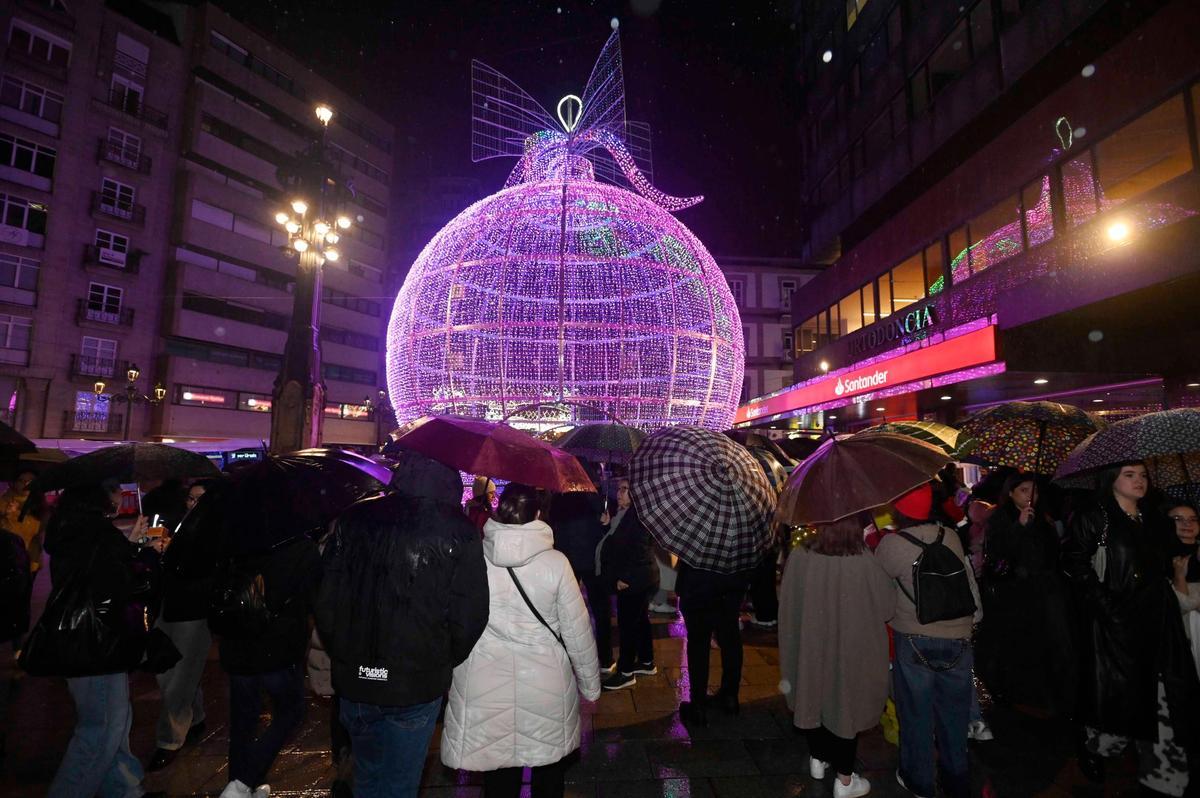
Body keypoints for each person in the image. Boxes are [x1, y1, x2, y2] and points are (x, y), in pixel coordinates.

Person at [316, 452, 489, 798]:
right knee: (399, 784)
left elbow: (325, 600)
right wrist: (439, 658)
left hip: (356, 678)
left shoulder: (354, 519)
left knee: (367, 775)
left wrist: (346, 653)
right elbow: (470, 616)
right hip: (415, 681)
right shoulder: (459, 532)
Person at [442, 483, 600, 798]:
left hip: (484, 683)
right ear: (539, 514)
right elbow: (577, 631)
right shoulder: (556, 564)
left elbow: (453, 621)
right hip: (546, 685)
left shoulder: (473, 559)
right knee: (548, 775)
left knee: (498, 780)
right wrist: (591, 685)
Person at [1063, 463, 1200, 795]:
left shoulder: (1154, 518)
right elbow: (1075, 566)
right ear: (1112, 480)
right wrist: (1108, 609)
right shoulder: (1095, 517)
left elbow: (1171, 556)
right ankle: (1095, 745)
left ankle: (1165, 775)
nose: (1140, 481)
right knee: (1121, 704)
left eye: (1143, 475)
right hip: (1116, 625)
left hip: (1158, 620)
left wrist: (1185, 531)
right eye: (1130, 475)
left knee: (1163, 696)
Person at [42, 480, 164, 798]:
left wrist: (130, 545)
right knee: (102, 729)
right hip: (96, 640)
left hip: (85, 637)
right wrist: (144, 554)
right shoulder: (94, 533)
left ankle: (125, 789)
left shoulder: (73, 529)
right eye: (114, 493)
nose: (118, 498)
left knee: (114, 720)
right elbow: (120, 582)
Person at [875, 482, 982, 798]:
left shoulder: (892, 544)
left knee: (916, 714)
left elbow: (880, 597)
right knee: (954, 714)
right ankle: (956, 780)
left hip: (915, 638)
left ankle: (919, 779)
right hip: (959, 638)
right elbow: (968, 582)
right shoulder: (949, 535)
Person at [779, 515, 895, 798]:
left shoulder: (800, 554)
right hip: (850, 648)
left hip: (809, 644)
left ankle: (818, 758)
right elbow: (887, 607)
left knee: (812, 695)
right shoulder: (864, 559)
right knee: (845, 704)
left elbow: (788, 600)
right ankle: (844, 780)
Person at [215, 523, 322, 798]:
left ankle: (240, 785)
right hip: (278, 648)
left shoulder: (231, 541)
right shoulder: (300, 548)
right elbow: (313, 597)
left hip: (237, 645)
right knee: (291, 711)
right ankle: (242, 782)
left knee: (243, 720)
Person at [976, 473, 1075, 716]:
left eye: (1035, 491)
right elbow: (999, 553)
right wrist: (1019, 527)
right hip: (1016, 593)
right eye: (1024, 490)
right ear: (1010, 493)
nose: (1031, 496)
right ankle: (1019, 694)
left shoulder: (1043, 518)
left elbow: (1051, 553)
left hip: (1045, 589)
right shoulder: (1000, 518)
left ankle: (1045, 694)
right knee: (1021, 642)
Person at [147, 479, 218, 772]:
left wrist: (175, 554)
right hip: (165, 604)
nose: (194, 504)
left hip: (194, 610)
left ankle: (169, 740)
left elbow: (209, 568)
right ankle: (196, 717)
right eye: (190, 498)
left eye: (200, 499)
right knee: (167, 672)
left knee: (180, 678)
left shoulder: (216, 531)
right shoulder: (175, 524)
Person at [675, 550, 756, 725]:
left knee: (698, 644)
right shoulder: (740, 526)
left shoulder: (700, 523)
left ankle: (698, 706)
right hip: (732, 586)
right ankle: (730, 696)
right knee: (730, 638)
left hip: (698, 585)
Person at [597, 481, 659, 691]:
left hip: (634, 580)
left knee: (627, 625)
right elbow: (618, 543)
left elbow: (640, 550)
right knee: (640, 620)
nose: (619, 493)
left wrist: (625, 577)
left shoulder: (637, 517)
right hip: (641, 578)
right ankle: (647, 661)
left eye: (625, 489)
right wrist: (607, 525)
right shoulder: (625, 515)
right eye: (619, 489)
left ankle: (625, 672)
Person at [1167, 500, 1200, 676]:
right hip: (1182, 636)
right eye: (1178, 518)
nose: (1188, 523)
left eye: (1193, 519)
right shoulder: (1161, 556)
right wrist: (1179, 576)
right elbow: (1180, 606)